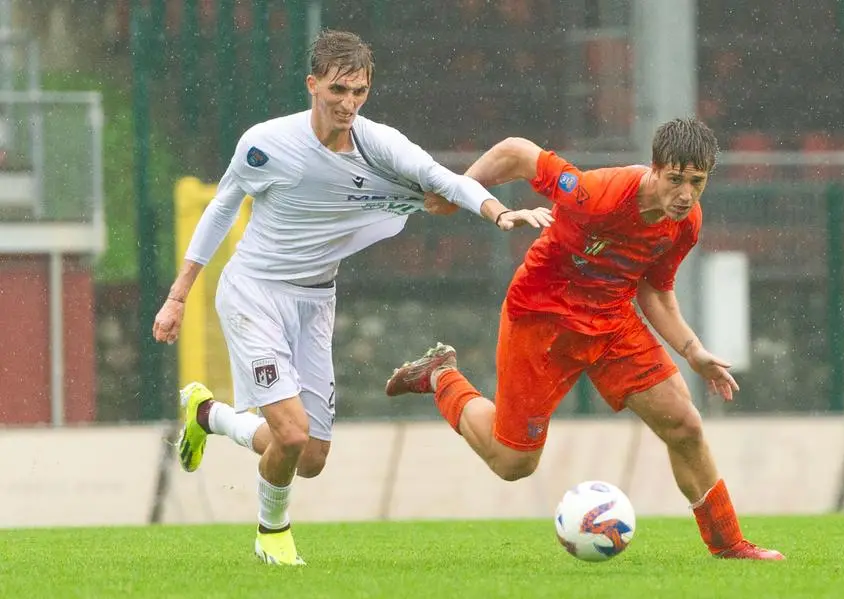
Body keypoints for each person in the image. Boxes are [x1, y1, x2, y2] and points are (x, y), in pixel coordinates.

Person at [152, 29, 552, 566]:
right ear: (312, 84)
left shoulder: (377, 143)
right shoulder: (266, 143)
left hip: (316, 300)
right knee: (290, 436)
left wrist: (498, 212)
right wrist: (178, 295)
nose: (348, 104)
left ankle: (208, 416)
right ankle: (272, 535)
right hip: (254, 295)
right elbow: (222, 207)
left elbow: (442, 180)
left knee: (310, 456)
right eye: (338, 90)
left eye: (359, 92)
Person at [385, 118, 784, 561]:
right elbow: (517, 150)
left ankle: (729, 545)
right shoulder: (597, 194)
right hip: (542, 317)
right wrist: (459, 190)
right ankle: (442, 376)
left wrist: (693, 351)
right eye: (675, 179)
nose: (686, 194)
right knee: (513, 462)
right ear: (654, 169)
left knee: (685, 425)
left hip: (611, 320)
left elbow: (654, 289)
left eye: (697, 181)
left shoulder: (685, 223)